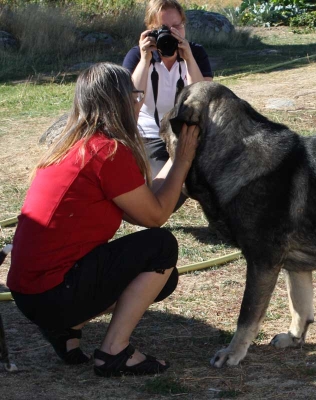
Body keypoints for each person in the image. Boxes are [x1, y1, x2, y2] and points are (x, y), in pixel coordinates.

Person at [7, 62, 199, 377]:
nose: (139, 102)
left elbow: (145, 201)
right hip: (53, 292)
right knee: (161, 247)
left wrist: (175, 156)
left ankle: (67, 327)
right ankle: (114, 351)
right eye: (135, 95)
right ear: (119, 101)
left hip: (30, 293)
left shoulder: (75, 147)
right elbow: (156, 216)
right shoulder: (107, 153)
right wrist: (183, 160)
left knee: (165, 277)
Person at [123, 0, 212, 209]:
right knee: (166, 191)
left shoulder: (195, 53)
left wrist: (188, 57)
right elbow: (131, 98)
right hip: (151, 134)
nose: (172, 33)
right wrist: (145, 60)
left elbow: (204, 96)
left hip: (186, 132)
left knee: (197, 174)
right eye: (163, 28)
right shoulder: (137, 55)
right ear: (150, 29)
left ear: (185, 24)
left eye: (177, 26)